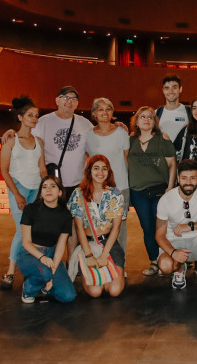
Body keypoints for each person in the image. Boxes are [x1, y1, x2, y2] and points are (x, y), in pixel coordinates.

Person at [2, 85, 95, 202]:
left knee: (77, 220)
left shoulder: (85, 124)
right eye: (65, 98)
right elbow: (26, 135)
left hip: (78, 184)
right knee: (54, 219)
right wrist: (13, 132)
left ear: (77, 103)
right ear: (57, 100)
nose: (69, 102)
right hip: (52, 183)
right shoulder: (43, 122)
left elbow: (101, 137)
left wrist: (116, 127)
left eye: (73, 99)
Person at [155, 159, 197, 297]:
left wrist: (191, 226)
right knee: (165, 266)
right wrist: (173, 252)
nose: (188, 182)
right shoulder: (166, 199)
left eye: (193, 178)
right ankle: (180, 268)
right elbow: (159, 235)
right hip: (175, 242)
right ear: (178, 179)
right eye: (184, 178)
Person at [0, 96, 47, 290]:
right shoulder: (11, 141)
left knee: (33, 232)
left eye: (36, 116)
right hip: (18, 188)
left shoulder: (39, 141)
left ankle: (30, 268)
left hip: (36, 189)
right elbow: (4, 170)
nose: (34, 119)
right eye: (30, 115)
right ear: (20, 117)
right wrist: (17, 194)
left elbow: (42, 168)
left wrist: (46, 189)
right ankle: (10, 271)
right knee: (21, 230)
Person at [66, 155, 126, 298]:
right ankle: (92, 274)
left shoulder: (116, 195)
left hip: (109, 244)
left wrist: (105, 255)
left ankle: (107, 274)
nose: (100, 172)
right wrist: (89, 256)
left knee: (114, 290)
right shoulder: (78, 194)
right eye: (96, 168)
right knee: (95, 292)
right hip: (88, 244)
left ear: (109, 172)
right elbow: (79, 228)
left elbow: (116, 228)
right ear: (89, 171)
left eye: (104, 169)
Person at [128, 106, 177, 277]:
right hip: (138, 191)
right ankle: (154, 262)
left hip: (159, 189)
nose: (147, 120)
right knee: (147, 228)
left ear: (155, 121)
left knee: (162, 227)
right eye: (143, 117)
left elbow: (172, 164)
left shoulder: (163, 139)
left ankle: (170, 257)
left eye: (150, 117)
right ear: (137, 120)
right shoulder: (131, 140)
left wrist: (170, 188)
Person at [85, 97, 130, 267]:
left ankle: (119, 266)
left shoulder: (121, 133)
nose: (105, 112)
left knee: (120, 228)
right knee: (99, 226)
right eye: (101, 109)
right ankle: (101, 262)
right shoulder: (88, 135)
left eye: (108, 109)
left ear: (112, 113)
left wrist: (127, 186)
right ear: (94, 114)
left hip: (120, 187)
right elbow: (88, 161)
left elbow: (126, 160)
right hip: (98, 189)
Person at [17, 175, 76, 303]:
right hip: (29, 254)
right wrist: (43, 258)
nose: (48, 190)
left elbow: (61, 245)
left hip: (51, 254)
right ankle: (28, 290)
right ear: (41, 192)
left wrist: (54, 267)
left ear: (60, 192)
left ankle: (44, 285)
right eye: (45, 187)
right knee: (45, 273)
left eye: (53, 186)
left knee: (68, 296)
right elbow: (26, 243)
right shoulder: (30, 210)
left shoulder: (65, 215)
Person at [156, 74, 191, 143]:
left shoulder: (190, 112)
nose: (170, 92)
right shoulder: (156, 113)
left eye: (174, 87)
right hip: (163, 153)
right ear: (163, 91)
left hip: (184, 154)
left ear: (180, 89)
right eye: (167, 88)